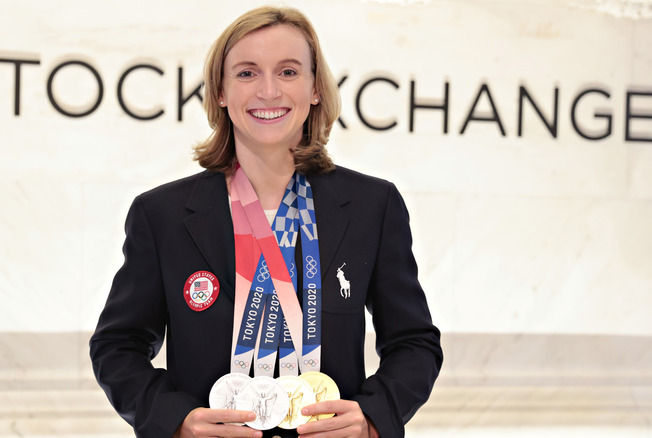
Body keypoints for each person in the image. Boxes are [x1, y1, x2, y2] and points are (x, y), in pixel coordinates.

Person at [90, 6, 442, 438]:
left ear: (315, 89)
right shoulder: (160, 213)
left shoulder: (374, 205)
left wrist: (374, 416)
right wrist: (175, 420)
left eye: (289, 71)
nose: (269, 91)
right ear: (220, 91)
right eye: (247, 73)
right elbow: (117, 346)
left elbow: (414, 342)